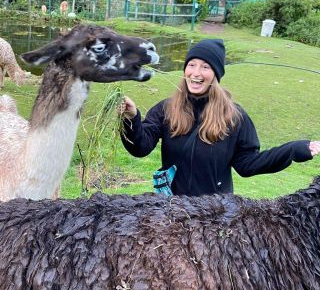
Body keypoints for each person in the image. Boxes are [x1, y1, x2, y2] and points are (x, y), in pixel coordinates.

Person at [119, 38, 320, 196]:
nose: (196, 73)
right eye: (192, 65)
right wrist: (131, 118)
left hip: (214, 217)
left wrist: (293, 150)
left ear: (216, 74)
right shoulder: (166, 108)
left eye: (205, 67)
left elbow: (248, 164)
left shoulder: (234, 116)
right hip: (172, 210)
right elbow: (140, 148)